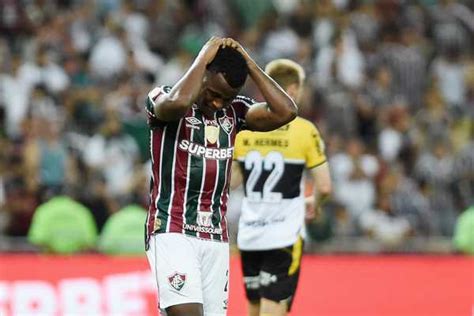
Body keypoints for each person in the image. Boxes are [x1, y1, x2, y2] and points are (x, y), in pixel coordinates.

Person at [144, 37, 297, 316]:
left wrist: (249, 64)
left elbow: (286, 111)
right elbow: (176, 103)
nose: (217, 103)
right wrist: (203, 58)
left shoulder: (236, 111)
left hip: (215, 236)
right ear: (203, 73)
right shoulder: (161, 97)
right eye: (214, 92)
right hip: (171, 228)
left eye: (226, 97)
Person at [232, 59, 332, 316]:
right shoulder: (303, 130)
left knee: (253, 304)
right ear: (293, 89)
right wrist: (315, 203)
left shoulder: (245, 127)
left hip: (250, 232)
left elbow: (231, 182)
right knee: (274, 305)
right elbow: (325, 186)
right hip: (284, 232)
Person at [28, 195, 97, 254]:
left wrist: (55, 254)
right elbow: (89, 241)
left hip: (49, 262)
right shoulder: (82, 211)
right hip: (77, 263)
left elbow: (38, 240)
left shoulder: (44, 210)